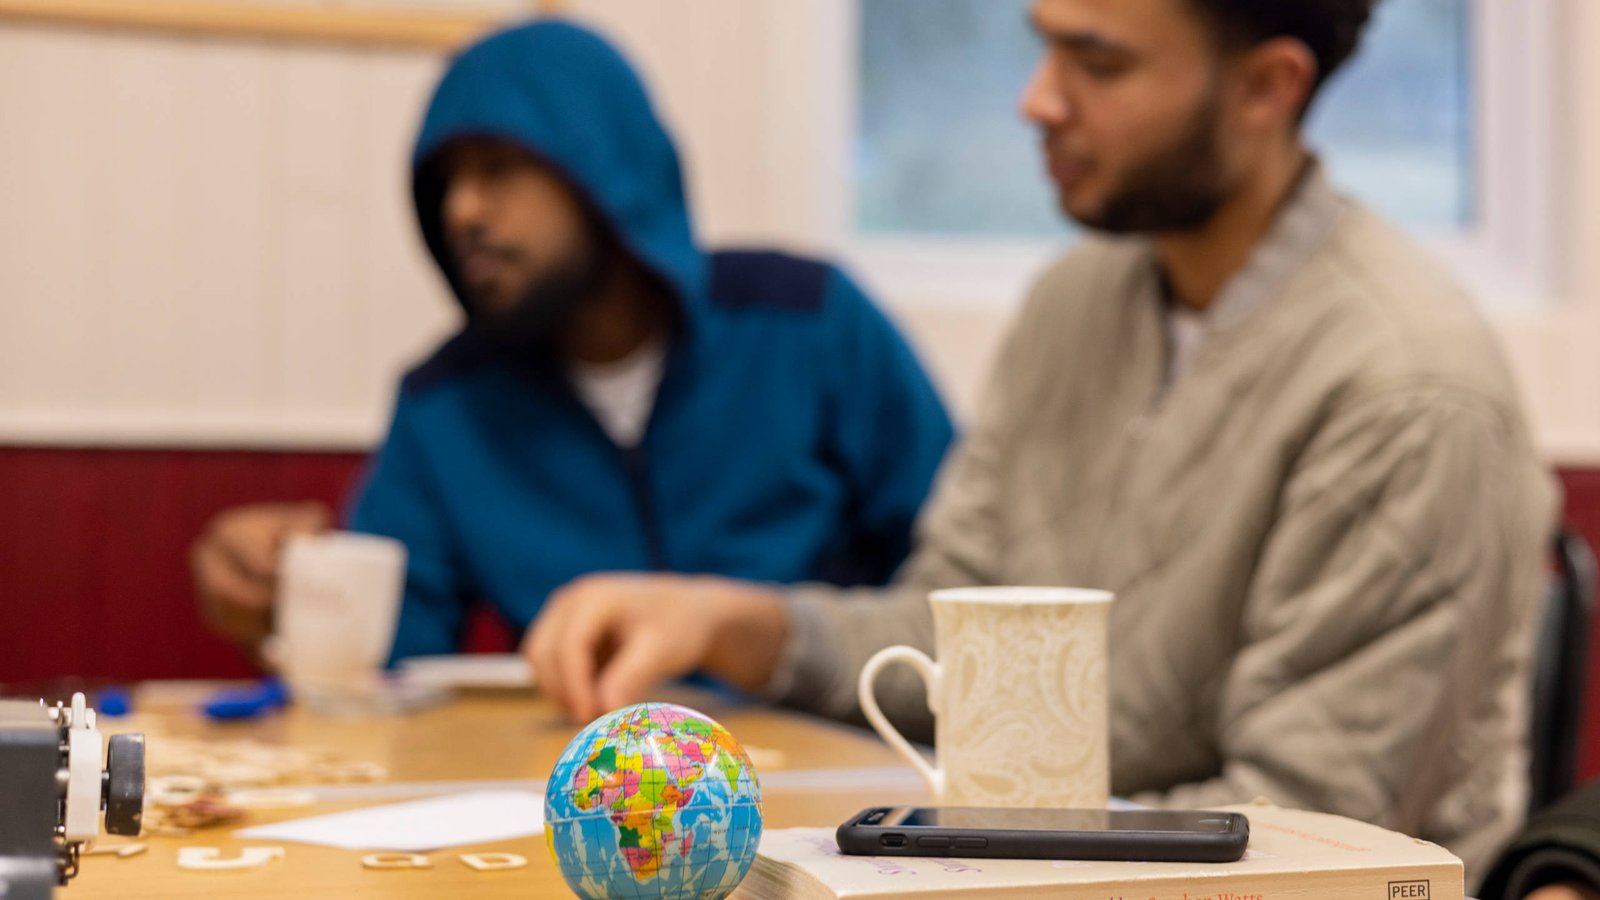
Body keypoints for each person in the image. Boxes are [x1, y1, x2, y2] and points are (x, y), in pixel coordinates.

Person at [523, 0, 1558, 883]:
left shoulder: (1409, 392)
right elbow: (956, 657)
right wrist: (726, 623)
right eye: (1044, 46)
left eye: (1096, 62)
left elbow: (1294, 836)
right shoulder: (1077, 300)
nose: (1037, 99)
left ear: (1265, 89)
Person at [189, 21, 953, 663]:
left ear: (605, 172)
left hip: (840, 776)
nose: (462, 211)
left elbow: (958, 577)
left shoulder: (811, 322)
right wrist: (282, 601)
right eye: (444, 184)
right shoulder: (445, 403)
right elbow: (395, 658)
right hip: (590, 800)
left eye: (498, 168)